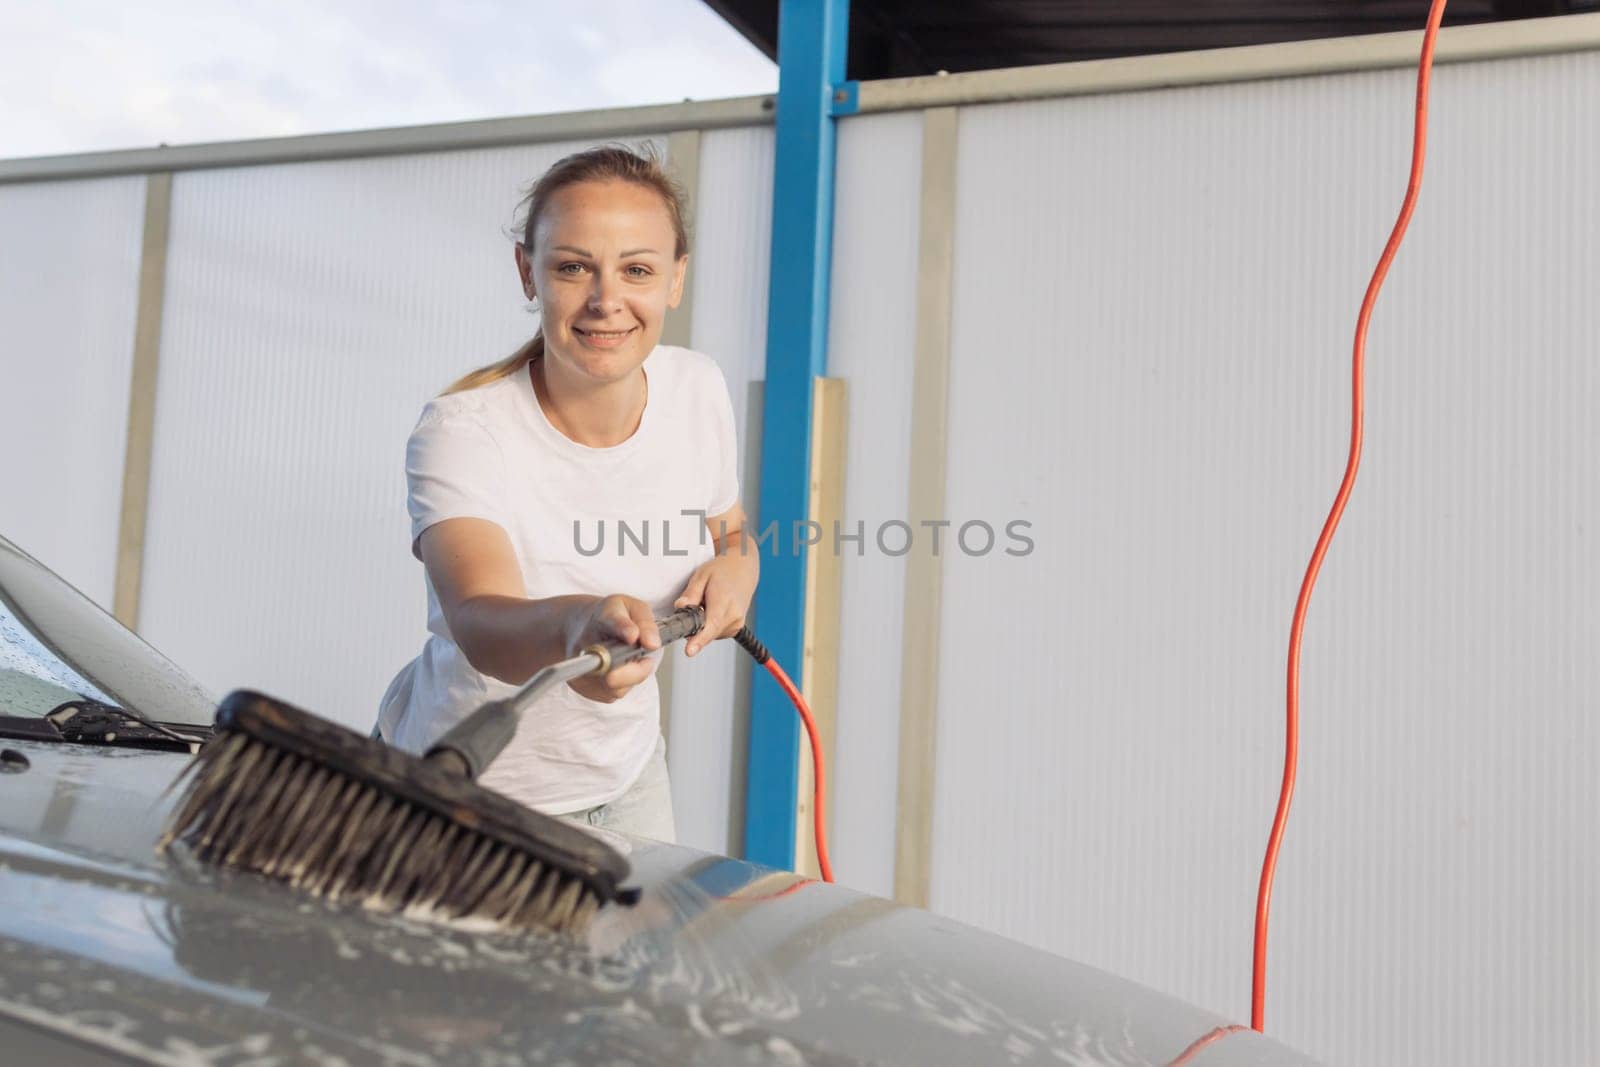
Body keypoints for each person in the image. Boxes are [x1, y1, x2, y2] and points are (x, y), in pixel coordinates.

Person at [376, 145, 758, 843]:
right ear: (529, 272)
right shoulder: (464, 432)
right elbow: (479, 619)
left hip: (629, 779)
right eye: (573, 266)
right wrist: (574, 626)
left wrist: (736, 571)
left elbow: (729, 531)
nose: (607, 300)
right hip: (471, 797)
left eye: (637, 269)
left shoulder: (696, 388)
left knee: (635, 956)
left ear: (676, 278)